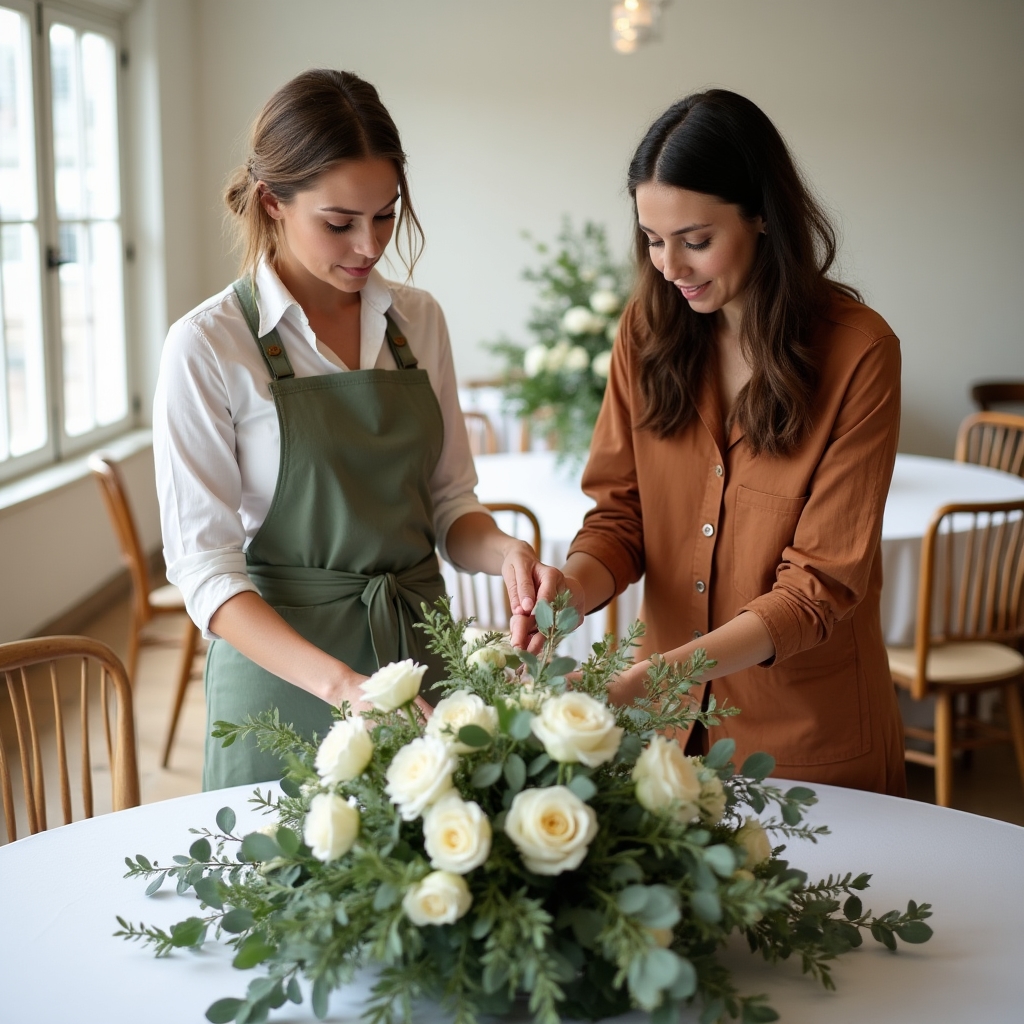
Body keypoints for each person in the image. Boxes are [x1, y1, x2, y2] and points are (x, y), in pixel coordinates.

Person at [154, 69, 568, 790]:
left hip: (419, 661)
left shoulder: (419, 321)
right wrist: (347, 689)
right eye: (339, 222)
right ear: (272, 202)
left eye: (385, 215)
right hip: (286, 682)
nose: (369, 245)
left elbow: (449, 505)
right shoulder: (208, 345)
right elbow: (206, 574)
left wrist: (504, 550)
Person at [561, 90, 905, 795]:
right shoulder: (646, 333)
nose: (669, 267)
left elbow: (817, 590)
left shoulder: (859, 353)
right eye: (652, 241)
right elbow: (621, 518)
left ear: (761, 216)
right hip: (666, 742)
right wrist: (563, 595)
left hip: (807, 748)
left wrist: (650, 676)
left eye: (695, 240)